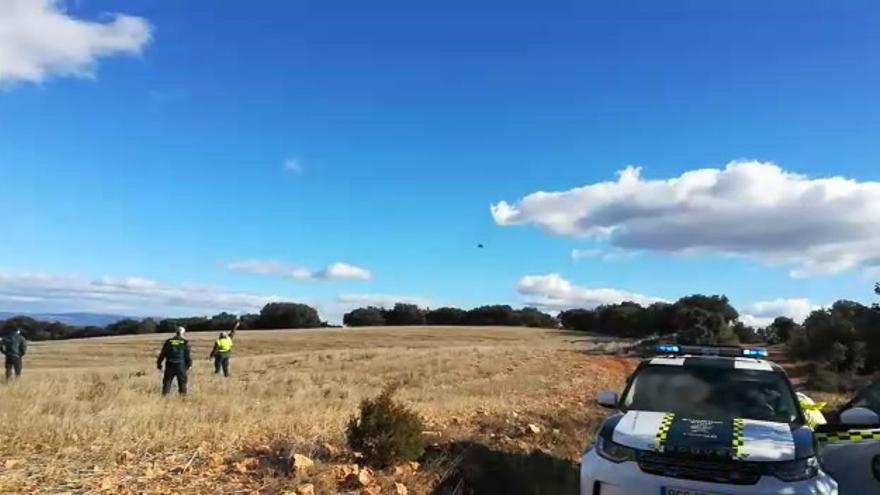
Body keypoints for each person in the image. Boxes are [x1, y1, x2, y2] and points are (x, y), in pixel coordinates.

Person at [157, 326, 192, 395]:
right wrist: (189, 364)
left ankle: (165, 396)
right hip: (180, 365)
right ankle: (182, 397)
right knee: (182, 382)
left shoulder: (169, 341)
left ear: (176, 332)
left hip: (169, 364)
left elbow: (163, 353)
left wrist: (159, 363)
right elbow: (187, 355)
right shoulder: (185, 342)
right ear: (183, 333)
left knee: (167, 381)